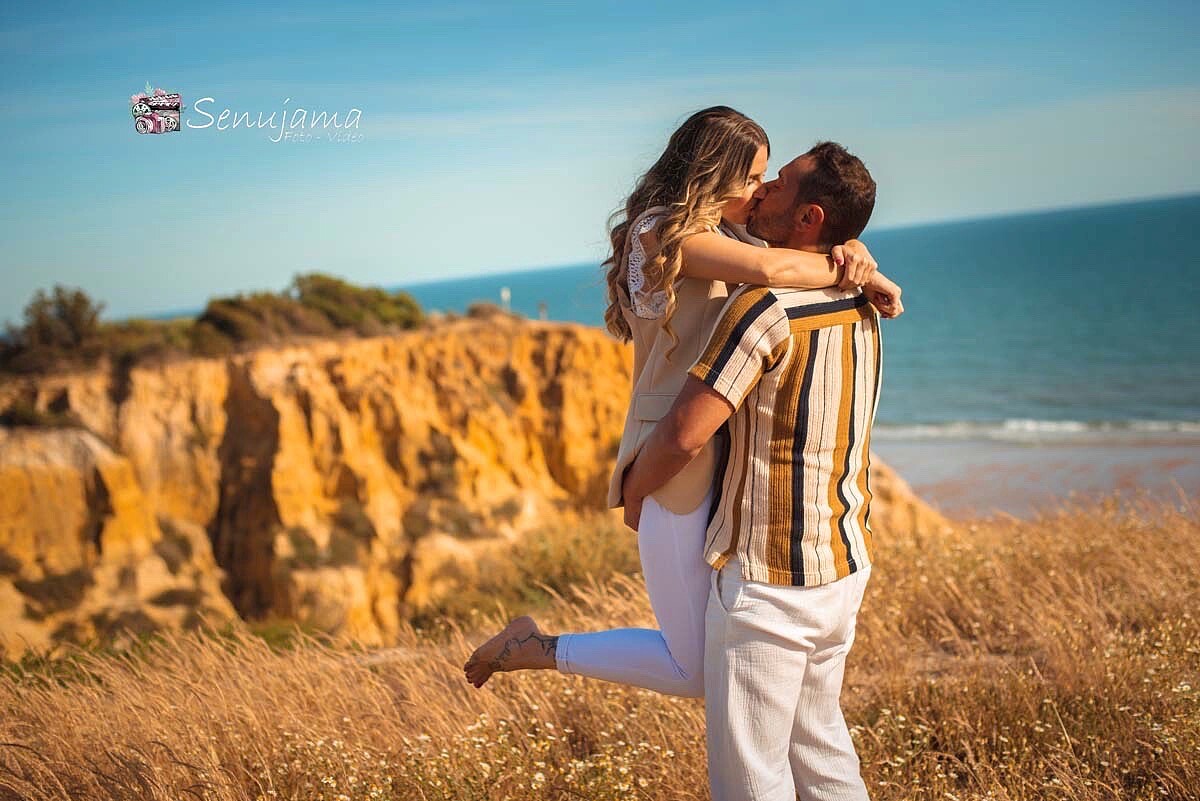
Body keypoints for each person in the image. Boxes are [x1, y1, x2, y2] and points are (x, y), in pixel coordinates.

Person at [463, 108, 901, 698]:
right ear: (712, 173)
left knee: (727, 653)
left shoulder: (731, 231)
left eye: (767, 179)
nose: (760, 192)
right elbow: (773, 267)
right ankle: (534, 647)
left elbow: (787, 251)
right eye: (752, 178)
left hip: (729, 456)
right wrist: (851, 267)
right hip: (675, 455)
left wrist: (854, 251)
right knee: (695, 669)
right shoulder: (661, 233)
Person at [621, 141, 885, 801]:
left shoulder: (763, 309)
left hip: (771, 582)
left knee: (751, 781)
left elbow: (684, 433)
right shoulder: (862, 302)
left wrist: (634, 489)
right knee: (822, 755)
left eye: (779, 182)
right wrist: (851, 257)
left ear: (809, 217)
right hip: (842, 564)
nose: (763, 190)